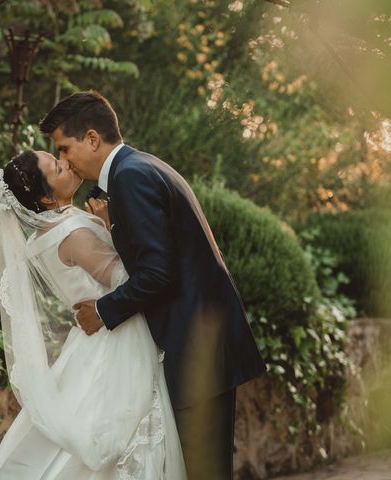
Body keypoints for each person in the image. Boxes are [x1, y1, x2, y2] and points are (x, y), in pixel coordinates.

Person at [39, 91, 267, 479]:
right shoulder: (139, 167)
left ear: (92, 138)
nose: (64, 160)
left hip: (196, 347)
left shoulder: (129, 177)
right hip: (201, 342)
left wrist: (103, 310)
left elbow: (159, 273)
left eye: (65, 148)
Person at [0, 150, 187, 479]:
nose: (66, 163)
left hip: (92, 338)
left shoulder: (41, 239)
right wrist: (112, 226)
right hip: (119, 334)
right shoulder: (74, 233)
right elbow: (125, 278)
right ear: (45, 197)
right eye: (57, 167)